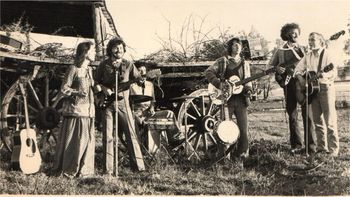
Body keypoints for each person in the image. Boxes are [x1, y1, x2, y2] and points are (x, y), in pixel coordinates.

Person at [95, 37, 144, 174]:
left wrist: (141, 80)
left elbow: (138, 78)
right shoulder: (103, 65)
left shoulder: (128, 64)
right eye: (116, 48)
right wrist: (104, 89)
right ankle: (108, 170)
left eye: (121, 48)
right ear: (110, 49)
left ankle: (139, 168)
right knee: (108, 136)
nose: (119, 50)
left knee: (131, 134)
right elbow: (96, 82)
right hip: (108, 104)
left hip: (123, 103)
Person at [269, 23, 316, 155]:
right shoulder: (280, 51)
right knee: (292, 115)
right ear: (286, 34)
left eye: (296, 32)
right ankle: (296, 145)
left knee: (308, 114)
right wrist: (277, 69)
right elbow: (270, 66)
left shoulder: (304, 49)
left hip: (303, 84)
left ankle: (310, 146)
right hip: (288, 84)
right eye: (292, 32)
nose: (295, 35)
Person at [53, 41, 96, 178]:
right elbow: (64, 88)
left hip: (89, 111)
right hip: (76, 111)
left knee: (86, 141)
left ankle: (84, 170)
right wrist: (76, 92)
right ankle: (70, 168)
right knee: (76, 141)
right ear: (85, 52)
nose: (95, 53)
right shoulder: (73, 69)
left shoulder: (90, 70)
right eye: (93, 50)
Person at [205, 37, 252, 160]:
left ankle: (242, 156)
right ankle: (224, 157)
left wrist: (248, 89)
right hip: (226, 101)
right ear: (230, 47)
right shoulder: (222, 61)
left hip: (241, 100)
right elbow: (208, 72)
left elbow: (248, 81)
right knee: (224, 129)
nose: (237, 47)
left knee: (243, 129)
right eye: (235, 45)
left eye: (239, 45)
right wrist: (218, 84)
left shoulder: (245, 64)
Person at [295, 32, 339, 157]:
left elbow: (333, 72)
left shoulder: (328, 54)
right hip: (313, 91)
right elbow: (297, 70)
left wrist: (322, 74)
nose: (310, 42)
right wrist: (302, 80)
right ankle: (321, 148)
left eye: (313, 39)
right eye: (309, 39)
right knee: (317, 121)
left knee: (329, 121)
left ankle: (333, 150)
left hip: (326, 88)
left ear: (320, 41)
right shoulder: (308, 56)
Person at [129, 65, 184, 152]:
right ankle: (152, 151)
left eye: (144, 74)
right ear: (135, 73)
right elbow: (128, 106)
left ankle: (175, 141)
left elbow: (153, 100)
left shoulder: (150, 85)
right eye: (139, 72)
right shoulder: (131, 86)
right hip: (137, 115)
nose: (142, 76)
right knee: (150, 125)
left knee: (169, 114)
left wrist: (152, 108)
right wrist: (137, 118)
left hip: (149, 113)